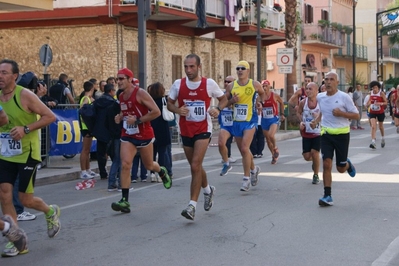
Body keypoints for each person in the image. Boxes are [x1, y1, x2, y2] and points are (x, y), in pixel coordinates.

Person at [0, 59, 61, 256]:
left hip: (27, 153)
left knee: (25, 199)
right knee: (5, 194)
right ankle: (15, 238)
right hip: (6, 153)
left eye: (4, 73)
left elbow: (50, 116)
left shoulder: (24, 95)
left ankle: (49, 211)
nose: (0, 76)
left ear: (14, 76)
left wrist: (25, 129)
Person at [167, 54, 227, 220]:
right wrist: (178, 110)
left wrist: (218, 109)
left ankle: (191, 206)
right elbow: (169, 104)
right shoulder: (178, 84)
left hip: (203, 129)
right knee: (196, 167)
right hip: (186, 129)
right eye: (186, 66)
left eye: (192, 66)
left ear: (199, 67)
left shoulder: (209, 83)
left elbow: (224, 99)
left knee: (195, 165)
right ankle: (208, 190)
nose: (188, 70)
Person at [111, 68, 172, 214]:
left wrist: (138, 120)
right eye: (117, 79)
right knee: (125, 164)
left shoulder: (140, 93)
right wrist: (119, 117)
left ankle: (161, 171)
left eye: (121, 79)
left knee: (149, 164)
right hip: (128, 134)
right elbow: (124, 111)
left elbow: (156, 112)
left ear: (130, 79)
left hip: (144, 133)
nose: (118, 82)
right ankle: (124, 201)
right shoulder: (120, 96)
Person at [310, 72, 359, 206]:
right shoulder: (320, 97)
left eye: (332, 79)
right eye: (326, 79)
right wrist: (316, 121)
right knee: (326, 163)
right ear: (324, 82)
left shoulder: (344, 97)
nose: (329, 82)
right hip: (326, 134)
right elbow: (322, 112)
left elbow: (357, 115)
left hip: (342, 135)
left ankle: (347, 164)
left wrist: (341, 113)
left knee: (340, 168)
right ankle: (327, 195)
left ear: (337, 82)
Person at [223, 60, 264, 192]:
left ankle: (245, 179)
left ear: (248, 71)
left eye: (243, 68)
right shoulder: (231, 86)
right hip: (237, 122)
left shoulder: (254, 84)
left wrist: (259, 102)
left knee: (245, 148)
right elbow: (224, 102)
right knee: (243, 150)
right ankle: (254, 169)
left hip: (250, 121)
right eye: (238, 68)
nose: (240, 70)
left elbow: (262, 93)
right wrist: (231, 101)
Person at [91, 83, 120, 180]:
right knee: (113, 154)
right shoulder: (113, 103)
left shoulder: (97, 102)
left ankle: (103, 173)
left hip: (99, 130)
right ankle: (116, 173)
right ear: (111, 91)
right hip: (109, 130)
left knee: (101, 153)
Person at [296, 82, 321, 184]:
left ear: (316, 91)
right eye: (307, 89)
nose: (308, 91)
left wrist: (318, 116)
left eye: (310, 89)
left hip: (318, 132)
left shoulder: (321, 102)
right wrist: (301, 121)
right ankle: (315, 162)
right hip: (306, 132)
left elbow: (327, 114)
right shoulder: (303, 102)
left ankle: (316, 175)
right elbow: (298, 112)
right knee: (307, 157)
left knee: (315, 153)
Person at [148, 82, 173, 181]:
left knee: (152, 152)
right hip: (163, 128)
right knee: (162, 152)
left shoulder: (149, 101)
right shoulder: (164, 100)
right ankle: (161, 173)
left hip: (152, 128)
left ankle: (152, 173)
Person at [260, 79, 285, 164]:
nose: (264, 88)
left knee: (271, 135)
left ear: (269, 87)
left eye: (266, 86)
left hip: (273, 119)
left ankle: (275, 148)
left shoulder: (274, 95)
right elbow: (257, 106)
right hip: (264, 120)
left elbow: (282, 103)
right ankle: (273, 155)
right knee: (267, 139)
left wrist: (282, 114)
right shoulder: (260, 97)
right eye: (263, 86)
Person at [78, 81, 99, 179]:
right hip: (85, 126)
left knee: (88, 150)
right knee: (85, 150)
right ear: (91, 88)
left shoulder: (89, 98)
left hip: (88, 126)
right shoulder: (86, 98)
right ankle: (83, 171)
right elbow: (82, 108)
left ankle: (88, 169)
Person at [218, 75, 237, 176]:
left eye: (229, 82)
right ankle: (226, 162)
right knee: (222, 143)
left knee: (244, 149)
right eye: (225, 81)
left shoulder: (238, 93)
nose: (226, 83)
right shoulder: (221, 94)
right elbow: (222, 105)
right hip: (226, 123)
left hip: (237, 123)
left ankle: (252, 169)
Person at [366, 81, 387, 149]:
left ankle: (383, 138)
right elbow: (369, 100)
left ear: (378, 88)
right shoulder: (371, 93)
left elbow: (386, 102)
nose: (374, 89)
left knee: (380, 127)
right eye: (373, 88)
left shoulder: (381, 94)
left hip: (380, 112)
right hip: (372, 111)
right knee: (373, 126)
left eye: (375, 87)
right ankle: (373, 142)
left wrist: (380, 103)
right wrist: (368, 104)